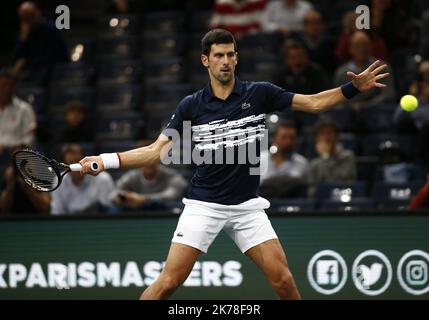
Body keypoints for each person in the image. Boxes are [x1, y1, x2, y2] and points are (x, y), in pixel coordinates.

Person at [78, 29, 390, 300]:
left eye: (230, 54)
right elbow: (154, 152)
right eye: (218, 55)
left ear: (237, 58)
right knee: (169, 282)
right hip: (203, 205)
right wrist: (104, 161)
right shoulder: (191, 106)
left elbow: (314, 103)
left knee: (283, 281)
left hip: (247, 207)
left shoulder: (260, 94)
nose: (225, 60)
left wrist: (353, 88)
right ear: (206, 60)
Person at [334, 31, 395, 110]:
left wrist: (365, 106)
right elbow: (337, 99)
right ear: (350, 49)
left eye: (365, 44)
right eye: (357, 45)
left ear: (371, 46)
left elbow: (388, 94)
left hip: (376, 113)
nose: (361, 48)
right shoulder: (341, 73)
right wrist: (351, 107)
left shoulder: (381, 68)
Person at [13, 2, 69, 84]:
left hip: (51, 69)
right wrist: (23, 40)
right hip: (33, 69)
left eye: (30, 16)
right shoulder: (25, 32)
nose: (28, 20)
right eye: (24, 18)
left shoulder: (51, 29)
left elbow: (53, 56)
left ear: (37, 13)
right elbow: (17, 57)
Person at [51, 144, 115, 215]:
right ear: (65, 165)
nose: (75, 166)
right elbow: (57, 211)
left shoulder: (103, 179)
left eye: (78, 161)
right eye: (71, 162)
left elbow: (108, 210)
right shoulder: (58, 180)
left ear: (86, 161)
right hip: (69, 223)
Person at [307, 118, 357, 197]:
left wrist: (325, 157)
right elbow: (311, 193)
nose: (326, 138)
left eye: (329, 133)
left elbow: (337, 183)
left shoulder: (348, 156)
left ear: (337, 137)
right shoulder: (314, 164)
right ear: (317, 139)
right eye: (322, 134)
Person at [259, 121, 309, 198]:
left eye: (292, 138)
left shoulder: (302, 163)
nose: (288, 142)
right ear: (274, 139)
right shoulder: (260, 159)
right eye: (284, 137)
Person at [0, 145, 50, 215]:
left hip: (37, 221)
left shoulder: (41, 179)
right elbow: (3, 211)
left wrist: (26, 186)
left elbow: (45, 209)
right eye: (15, 161)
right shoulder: (8, 179)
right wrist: (10, 185)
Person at [0, 67, 37, 153]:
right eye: (3, 85)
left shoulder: (25, 109)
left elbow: (29, 138)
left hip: (14, 154)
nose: (7, 89)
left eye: (10, 85)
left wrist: (16, 149)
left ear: (14, 87)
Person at [293, 9, 337, 74]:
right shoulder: (297, 43)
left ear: (322, 25)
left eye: (317, 22)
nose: (314, 26)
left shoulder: (330, 43)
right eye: (311, 23)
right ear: (304, 26)